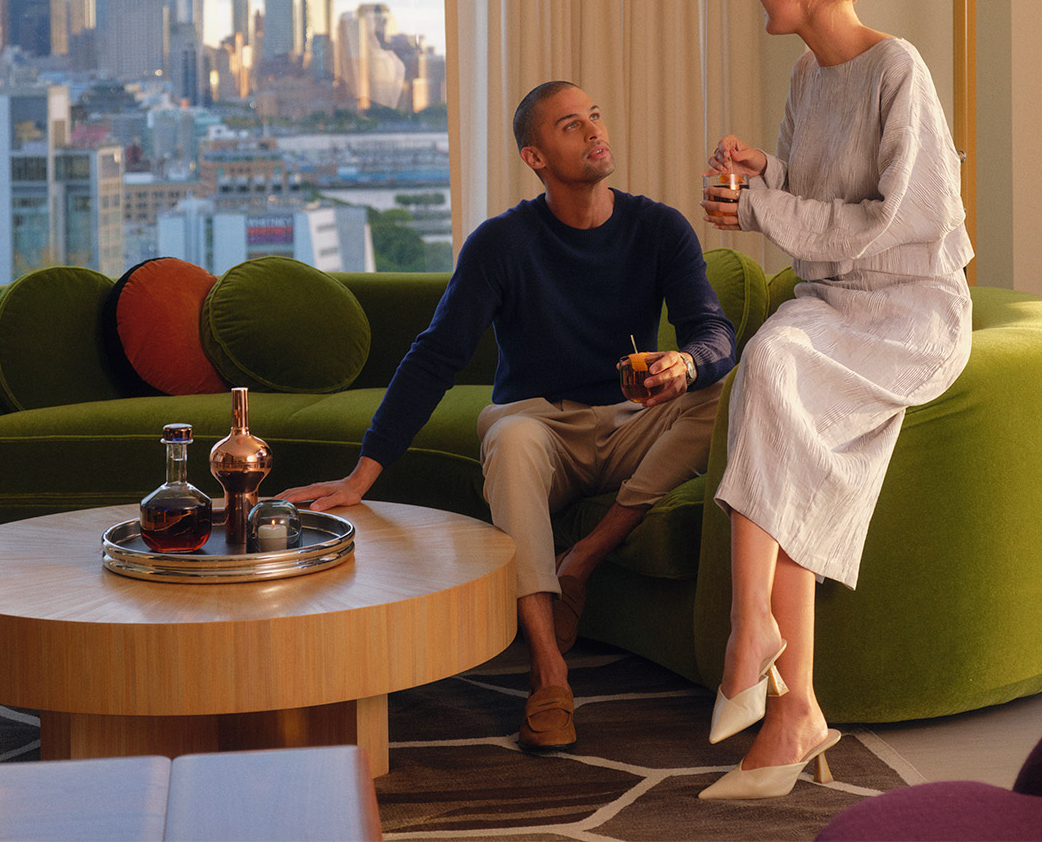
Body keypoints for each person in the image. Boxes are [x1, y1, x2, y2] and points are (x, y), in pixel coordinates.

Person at [284, 80, 735, 754]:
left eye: (595, 116)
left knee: (727, 388)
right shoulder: (502, 243)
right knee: (513, 435)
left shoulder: (658, 228)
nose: (592, 132)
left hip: (629, 426)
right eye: (570, 126)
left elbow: (715, 335)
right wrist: (360, 476)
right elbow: (435, 356)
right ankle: (548, 671)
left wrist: (688, 364)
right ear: (535, 156)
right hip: (540, 427)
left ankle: (585, 555)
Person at [695, 0, 971, 800]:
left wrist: (768, 206)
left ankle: (750, 634)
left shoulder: (900, 70)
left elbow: (897, 222)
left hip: (911, 310)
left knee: (773, 365)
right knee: (780, 403)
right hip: (834, 300)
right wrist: (762, 180)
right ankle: (795, 708)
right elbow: (815, 221)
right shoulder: (806, 79)